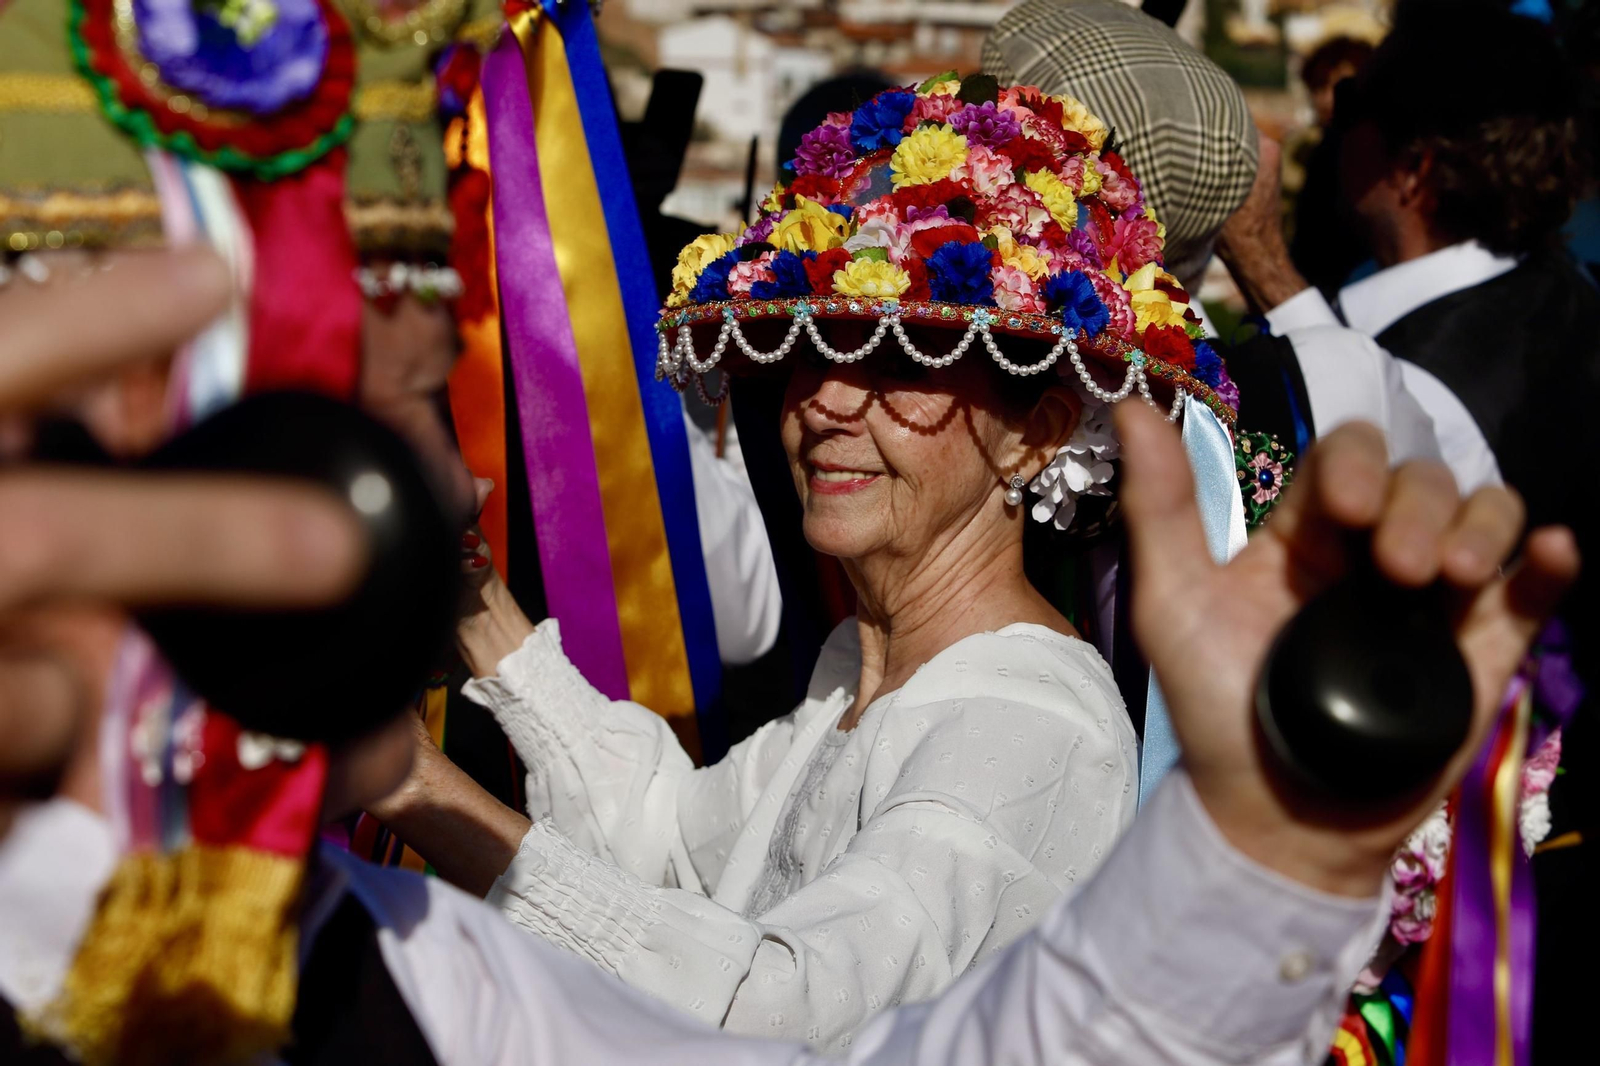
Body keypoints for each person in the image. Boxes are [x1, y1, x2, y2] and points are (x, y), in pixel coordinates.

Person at [0, 244, 1579, 1064]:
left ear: (1039, 429)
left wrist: (419, 782)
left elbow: (775, 1013)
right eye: (815, 350)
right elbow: (679, 853)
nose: (828, 397)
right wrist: (479, 621)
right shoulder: (856, 669)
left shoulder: (1027, 722)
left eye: (906, 363)